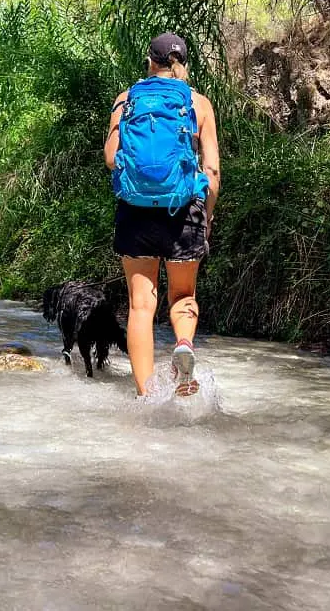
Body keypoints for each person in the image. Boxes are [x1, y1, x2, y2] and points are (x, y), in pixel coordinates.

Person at [104, 33, 221, 397]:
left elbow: (111, 159)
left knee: (141, 304)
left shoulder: (126, 101)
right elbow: (212, 171)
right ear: (183, 62)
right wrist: (208, 215)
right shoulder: (198, 103)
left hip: (136, 213)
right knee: (183, 296)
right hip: (184, 210)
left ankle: (145, 395)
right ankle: (183, 345)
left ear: (148, 61)